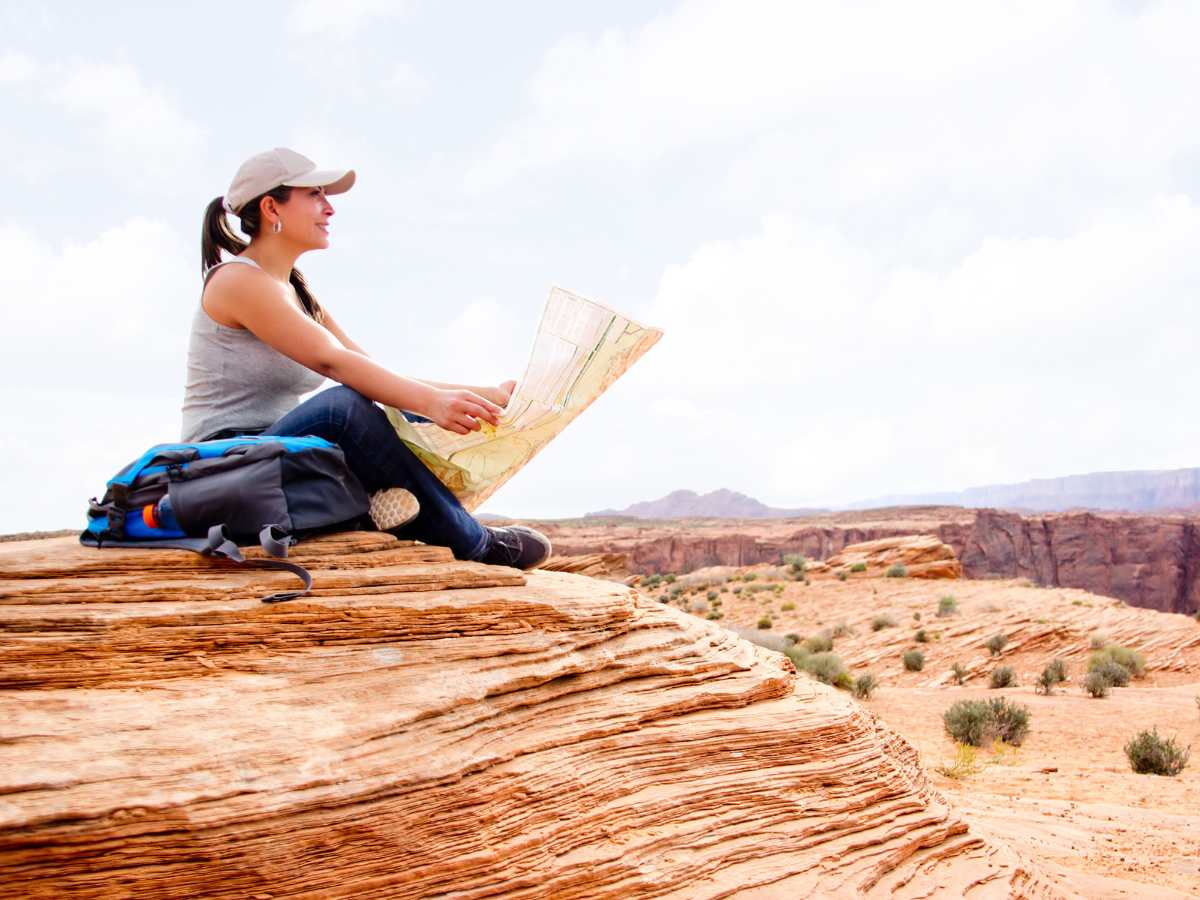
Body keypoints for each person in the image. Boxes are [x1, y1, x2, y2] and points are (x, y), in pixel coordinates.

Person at [181, 147, 550, 569]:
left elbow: (371, 370)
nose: (330, 208)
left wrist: (483, 394)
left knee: (387, 399)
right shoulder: (237, 281)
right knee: (344, 407)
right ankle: (474, 543)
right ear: (271, 207)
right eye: (315, 195)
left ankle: (367, 510)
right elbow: (332, 362)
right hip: (223, 470)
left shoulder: (297, 292)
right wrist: (431, 403)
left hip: (284, 460)